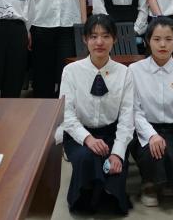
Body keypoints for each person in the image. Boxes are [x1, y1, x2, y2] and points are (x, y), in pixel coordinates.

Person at [59, 14, 134, 216]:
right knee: (87, 158)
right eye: (93, 36)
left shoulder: (125, 73)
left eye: (106, 36)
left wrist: (117, 152)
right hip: (80, 135)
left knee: (113, 180)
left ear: (114, 39)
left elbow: (127, 118)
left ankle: (103, 190)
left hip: (111, 134)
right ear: (85, 39)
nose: (99, 42)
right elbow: (67, 114)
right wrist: (88, 139)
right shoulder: (71, 71)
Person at [129, 17, 173, 207]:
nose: (163, 45)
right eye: (157, 39)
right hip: (144, 129)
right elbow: (134, 111)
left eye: (168, 39)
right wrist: (151, 135)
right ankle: (149, 184)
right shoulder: (134, 70)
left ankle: (167, 180)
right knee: (154, 151)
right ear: (148, 41)